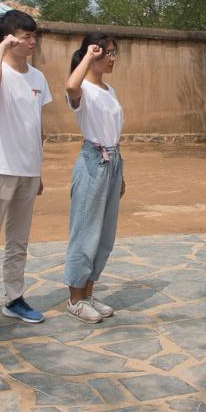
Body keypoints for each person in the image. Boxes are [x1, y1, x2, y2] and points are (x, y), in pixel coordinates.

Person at [0, 10, 51, 336]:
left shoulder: (38, 78)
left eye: (33, 36)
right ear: (8, 37)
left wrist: (38, 168)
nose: (31, 42)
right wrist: (2, 48)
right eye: (25, 36)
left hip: (28, 170)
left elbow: (37, 125)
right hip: (1, 167)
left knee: (19, 240)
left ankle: (14, 298)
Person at [63, 33, 125, 324]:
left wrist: (121, 174)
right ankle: (75, 299)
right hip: (93, 161)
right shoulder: (82, 89)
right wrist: (88, 55)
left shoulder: (109, 89)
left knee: (104, 234)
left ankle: (88, 293)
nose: (111, 58)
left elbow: (114, 132)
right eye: (106, 53)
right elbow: (70, 86)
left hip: (113, 161)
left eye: (113, 53)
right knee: (85, 231)